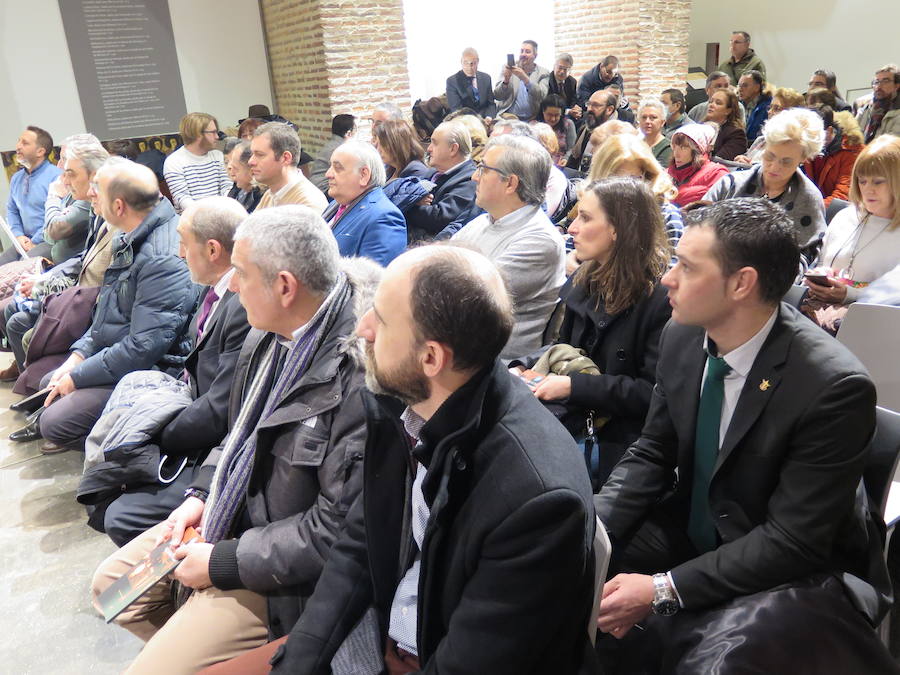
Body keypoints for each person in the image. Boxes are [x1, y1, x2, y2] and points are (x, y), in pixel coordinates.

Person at [224, 244, 597, 675]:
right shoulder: (400, 405)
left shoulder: (538, 499)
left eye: (380, 318)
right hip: (387, 632)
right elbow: (360, 542)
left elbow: (476, 659)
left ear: (431, 358)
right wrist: (300, 661)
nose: (363, 327)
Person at [593, 198, 896, 675]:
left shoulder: (832, 386)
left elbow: (792, 541)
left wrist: (662, 589)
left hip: (794, 570)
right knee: (559, 568)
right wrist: (593, 532)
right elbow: (653, 452)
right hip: (700, 528)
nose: (668, 278)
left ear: (741, 283)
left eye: (687, 267)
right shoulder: (683, 334)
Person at [90, 205, 374, 672]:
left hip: (285, 577)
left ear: (285, 286)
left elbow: (334, 532)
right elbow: (238, 432)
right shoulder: (267, 335)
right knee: (110, 586)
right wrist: (200, 495)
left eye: (241, 273)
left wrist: (222, 562)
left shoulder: (356, 377)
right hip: (234, 516)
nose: (232, 285)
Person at [91, 197, 252, 546]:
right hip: (193, 410)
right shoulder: (217, 292)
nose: (179, 253)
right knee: (105, 483)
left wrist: (159, 435)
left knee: (119, 512)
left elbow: (220, 409)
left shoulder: (241, 305)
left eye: (184, 242)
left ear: (212, 250)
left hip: (216, 440)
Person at [510, 177, 671, 486]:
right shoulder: (587, 276)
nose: (572, 228)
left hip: (620, 438)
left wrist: (573, 387)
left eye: (585, 218)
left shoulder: (661, 299)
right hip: (574, 414)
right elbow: (560, 347)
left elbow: (652, 394)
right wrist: (522, 366)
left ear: (617, 229)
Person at [37, 158, 195, 451]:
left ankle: (118, 446)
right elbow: (105, 317)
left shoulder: (162, 257)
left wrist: (78, 377)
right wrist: (78, 359)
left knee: (54, 421)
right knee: (49, 381)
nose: (91, 194)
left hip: (156, 369)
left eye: (98, 189)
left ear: (120, 206)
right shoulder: (129, 233)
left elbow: (144, 348)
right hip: (124, 354)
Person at [452, 135, 564, 358]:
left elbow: (464, 297)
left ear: (510, 183)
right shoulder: (482, 221)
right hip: (459, 349)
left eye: (483, 169)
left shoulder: (540, 241)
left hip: (493, 367)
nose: (475, 177)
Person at [704, 108, 826, 262]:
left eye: (786, 162)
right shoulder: (730, 185)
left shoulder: (809, 199)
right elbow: (697, 228)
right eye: (770, 156)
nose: (775, 167)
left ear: (803, 159)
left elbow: (804, 258)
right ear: (764, 147)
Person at [805, 135, 900, 310]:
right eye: (862, 181)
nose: (868, 189)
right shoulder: (845, 216)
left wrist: (850, 294)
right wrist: (820, 275)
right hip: (816, 312)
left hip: (871, 323)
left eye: (878, 182)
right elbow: (821, 262)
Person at [588, 134, 683, 253]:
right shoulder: (592, 204)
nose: (623, 188)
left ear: (647, 175)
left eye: (633, 179)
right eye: (615, 180)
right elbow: (574, 242)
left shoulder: (665, 214)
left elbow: (672, 266)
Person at [322, 140, 406, 265]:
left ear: (363, 175)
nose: (328, 174)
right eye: (330, 166)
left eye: (337, 168)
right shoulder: (336, 203)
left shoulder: (384, 218)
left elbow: (372, 280)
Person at [404, 120, 477, 241]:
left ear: (453, 149)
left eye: (435, 143)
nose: (429, 149)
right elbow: (410, 191)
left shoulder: (469, 180)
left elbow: (438, 217)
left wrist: (407, 204)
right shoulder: (433, 171)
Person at [1, 126, 62, 265]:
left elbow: (58, 217)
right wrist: (18, 236)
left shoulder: (56, 177)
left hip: (49, 241)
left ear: (40, 151)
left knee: (23, 266)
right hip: (24, 240)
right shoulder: (16, 178)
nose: (18, 147)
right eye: (18, 141)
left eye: (25, 143)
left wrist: (34, 241)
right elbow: (11, 210)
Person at [249, 122, 326, 212]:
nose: (250, 161)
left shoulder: (307, 204)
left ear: (286, 158)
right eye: (252, 154)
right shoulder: (270, 194)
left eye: (260, 155)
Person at [163, 112, 231, 214]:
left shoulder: (218, 156)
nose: (217, 136)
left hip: (221, 216)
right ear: (198, 134)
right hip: (192, 221)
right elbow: (183, 199)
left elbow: (227, 187)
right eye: (212, 132)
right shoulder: (174, 162)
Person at [803, 107, 865, 207]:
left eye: (812, 136)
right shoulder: (807, 146)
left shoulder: (853, 152)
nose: (807, 141)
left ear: (829, 131)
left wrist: (810, 210)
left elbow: (842, 197)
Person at [733, 87, 807, 166]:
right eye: (770, 107)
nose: (769, 112)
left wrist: (750, 166)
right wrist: (741, 158)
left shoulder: (794, 145)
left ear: (792, 114)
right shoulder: (761, 139)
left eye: (776, 109)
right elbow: (746, 158)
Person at [667, 124, 729, 207]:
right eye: (674, 146)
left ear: (698, 149)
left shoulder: (716, 173)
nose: (676, 154)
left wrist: (676, 196)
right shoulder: (666, 174)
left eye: (683, 148)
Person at [493, 40, 550, 121]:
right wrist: (506, 80)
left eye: (527, 52)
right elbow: (498, 96)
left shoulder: (543, 73)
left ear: (535, 55)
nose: (523, 54)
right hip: (507, 118)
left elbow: (542, 96)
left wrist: (525, 79)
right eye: (521, 51)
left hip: (532, 119)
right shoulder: (508, 68)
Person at [567, 90, 618, 173]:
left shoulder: (617, 136)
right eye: (589, 104)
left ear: (609, 109)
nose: (589, 109)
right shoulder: (584, 130)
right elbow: (573, 162)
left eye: (595, 105)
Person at [309, 114, 356, 193]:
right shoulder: (340, 150)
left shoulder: (333, 145)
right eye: (356, 130)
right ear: (348, 134)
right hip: (324, 189)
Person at [445, 47, 496, 119]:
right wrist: (478, 122)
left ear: (478, 62)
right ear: (461, 62)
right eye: (466, 63)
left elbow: (491, 104)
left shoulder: (486, 78)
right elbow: (456, 110)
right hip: (464, 121)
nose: (469, 67)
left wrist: (489, 117)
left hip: (486, 119)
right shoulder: (452, 81)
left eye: (473, 63)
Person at [856, 64, 900, 142]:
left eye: (885, 81)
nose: (878, 86)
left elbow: (892, 145)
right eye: (876, 82)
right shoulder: (866, 107)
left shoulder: (897, 111)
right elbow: (853, 135)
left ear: (897, 85)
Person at [704, 88, 748, 160]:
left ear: (728, 110)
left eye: (718, 103)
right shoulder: (701, 127)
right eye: (711, 101)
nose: (711, 105)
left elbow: (719, 161)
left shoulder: (736, 134)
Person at [538, 94, 577, 164]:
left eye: (556, 115)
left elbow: (572, 148)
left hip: (560, 164)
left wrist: (566, 159)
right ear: (543, 112)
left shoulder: (568, 124)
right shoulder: (535, 126)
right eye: (549, 115)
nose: (553, 119)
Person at [225, 141, 263, 213]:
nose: (229, 168)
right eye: (227, 162)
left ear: (251, 170)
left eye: (235, 167)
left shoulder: (264, 198)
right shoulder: (236, 190)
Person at [738, 70, 772, 142]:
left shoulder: (768, 107)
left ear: (757, 87)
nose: (740, 89)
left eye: (745, 85)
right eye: (739, 85)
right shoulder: (737, 105)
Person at [637, 99, 672, 167]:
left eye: (653, 117)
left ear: (662, 122)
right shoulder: (635, 145)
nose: (647, 121)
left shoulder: (668, 148)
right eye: (644, 117)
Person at [548, 52, 580, 119]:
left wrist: (575, 109)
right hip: (553, 114)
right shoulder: (547, 80)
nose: (562, 72)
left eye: (565, 69)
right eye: (560, 68)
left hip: (569, 114)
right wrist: (568, 111)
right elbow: (550, 103)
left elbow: (574, 100)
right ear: (554, 66)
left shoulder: (572, 81)